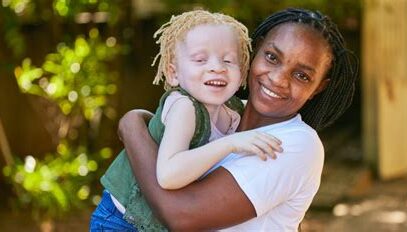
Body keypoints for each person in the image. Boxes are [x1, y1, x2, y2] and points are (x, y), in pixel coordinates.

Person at [118, 7, 359, 231]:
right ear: (254, 52)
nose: (278, 79)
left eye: (301, 75)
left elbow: (182, 215)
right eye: (272, 57)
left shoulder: (296, 144)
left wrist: (131, 126)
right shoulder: (223, 113)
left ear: (318, 88)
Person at [90, 10, 283, 231]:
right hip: (123, 221)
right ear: (173, 73)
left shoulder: (233, 109)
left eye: (228, 60)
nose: (216, 67)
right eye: (200, 59)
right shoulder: (184, 107)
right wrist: (231, 143)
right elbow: (168, 175)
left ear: (241, 74)